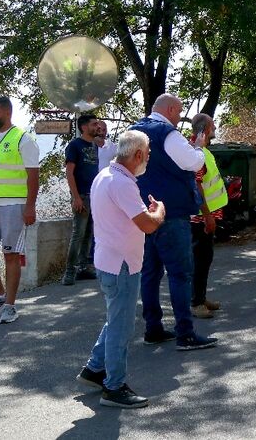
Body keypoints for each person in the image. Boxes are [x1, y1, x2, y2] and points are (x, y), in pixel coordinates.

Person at [76, 130, 166, 409]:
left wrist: (146, 212)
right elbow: (148, 225)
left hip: (109, 262)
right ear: (137, 154)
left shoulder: (105, 176)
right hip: (122, 265)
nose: (148, 158)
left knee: (115, 319)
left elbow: (129, 216)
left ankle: (94, 370)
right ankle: (113, 387)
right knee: (120, 326)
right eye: (148, 153)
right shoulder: (123, 184)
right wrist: (159, 211)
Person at [129, 94, 217, 351]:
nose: (180, 118)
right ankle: (185, 334)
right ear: (169, 110)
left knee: (150, 273)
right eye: (179, 112)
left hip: (143, 212)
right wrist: (199, 147)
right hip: (171, 212)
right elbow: (192, 162)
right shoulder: (167, 132)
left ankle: (153, 328)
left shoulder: (133, 130)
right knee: (180, 274)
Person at [0, 95, 39, 324]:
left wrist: (30, 206)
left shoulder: (23, 139)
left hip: (14, 205)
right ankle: (0, 296)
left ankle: (11, 305)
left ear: (7, 113)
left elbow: (33, 174)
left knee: (11, 255)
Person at [188, 113, 227, 319]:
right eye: (212, 126)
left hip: (207, 215)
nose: (215, 129)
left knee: (205, 258)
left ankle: (200, 297)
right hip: (201, 217)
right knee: (200, 259)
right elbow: (197, 185)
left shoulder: (202, 151)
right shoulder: (196, 153)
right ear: (206, 129)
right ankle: (195, 302)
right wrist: (207, 216)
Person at [61, 114, 100, 285]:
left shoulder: (94, 145)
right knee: (78, 234)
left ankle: (84, 268)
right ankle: (69, 272)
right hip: (82, 196)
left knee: (89, 233)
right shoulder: (74, 146)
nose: (97, 127)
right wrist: (76, 197)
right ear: (83, 127)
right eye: (93, 124)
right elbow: (69, 172)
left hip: (95, 196)